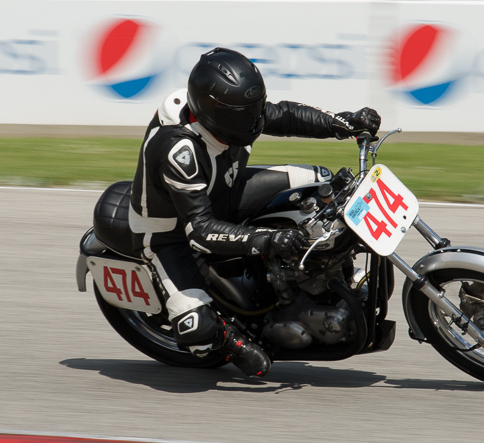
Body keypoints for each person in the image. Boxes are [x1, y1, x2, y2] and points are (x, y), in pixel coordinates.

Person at [128, 47, 380, 377]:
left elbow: (285, 115)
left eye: (256, 107)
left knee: (320, 181)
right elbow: (200, 231)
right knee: (196, 329)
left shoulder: (235, 112)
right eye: (243, 114)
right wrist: (268, 239)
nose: (254, 119)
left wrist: (343, 123)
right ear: (213, 112)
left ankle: (330, 271)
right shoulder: (180, 150)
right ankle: (229, 339)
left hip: (224, 190)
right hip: (170, 232)